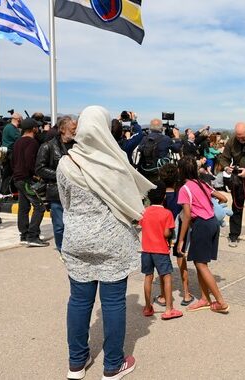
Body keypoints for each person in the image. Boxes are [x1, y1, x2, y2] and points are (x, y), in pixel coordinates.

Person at [57, 106, 153, 380]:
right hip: (113, 240)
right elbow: (130, 199)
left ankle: (76, 363)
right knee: (112, 303)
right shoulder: (116, 160)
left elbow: (66, 203)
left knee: (78, 300)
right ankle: (112, 365)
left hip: (78, 238)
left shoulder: (67, 163)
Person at [176, 156, 230, 313]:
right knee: (200, 262)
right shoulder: (202, 183)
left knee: (200, 264)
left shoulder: (184, 189)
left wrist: (181, 239)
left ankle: (220, 301)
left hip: (201, 225)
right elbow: (223, 197)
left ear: (180, 171)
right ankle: (205, 298)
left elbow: (186, 215)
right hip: (212, 222)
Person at [139, 181, 182, 320]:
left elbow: (142, 226)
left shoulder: (144, 212)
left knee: (148, 277)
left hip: (146, 249)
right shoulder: (167, 213)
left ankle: (147, 307)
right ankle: (169, 309)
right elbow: (165, 234)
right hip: (161, 250)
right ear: (164, 196)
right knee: (167, 277)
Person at [35, 116, 77, 252]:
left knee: (74, 225)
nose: (75, 132)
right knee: (59, 225)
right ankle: (61, 249)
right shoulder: (48, 146)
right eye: (73, 129)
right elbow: (40, 169)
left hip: (75, 192)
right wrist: (61, 175)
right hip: (56, 192)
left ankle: (73, 249)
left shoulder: (78, 146)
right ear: (63, 129)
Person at [157, 163, 195, 307]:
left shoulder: (160, 195)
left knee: (163, 262)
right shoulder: (181, 193)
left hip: (163, 231)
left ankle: (162, 295)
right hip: (180, 231)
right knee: (181, 260)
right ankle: (185, 293)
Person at [12, 118, 48, 247]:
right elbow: (30, 162)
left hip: (17, 178)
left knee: (24, 207)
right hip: (27, 180)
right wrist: (36, 175)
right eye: (36, 127)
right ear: (33, 128)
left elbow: (13, 160)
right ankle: (32, 236)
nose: (38, 129)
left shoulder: (17, 142)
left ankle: (24, 235)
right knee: (40, 207)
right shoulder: (32, 143)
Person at [0, 113, 22, 194]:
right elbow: (19, 139)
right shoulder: (11, 128)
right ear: (18, 119)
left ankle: (8, 192)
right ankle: (5, 192)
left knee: (9, 174)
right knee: (9, 174)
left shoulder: (9, 127)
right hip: (10, 153)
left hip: (9, 153)